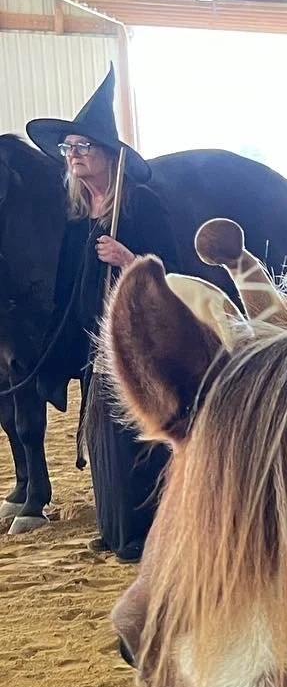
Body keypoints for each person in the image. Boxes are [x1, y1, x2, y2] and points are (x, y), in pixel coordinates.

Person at [27, 67, 179, 561]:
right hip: (97, 338)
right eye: (68, 149)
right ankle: (114, 529)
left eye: (81, 148)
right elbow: (72, 285)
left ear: (107, 155)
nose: (72, 156)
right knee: (101, 438)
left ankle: (142, 534)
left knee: (132, 435)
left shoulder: (141, 205)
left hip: (139, 339)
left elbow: (172, 273)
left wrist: (130, 260)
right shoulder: (81, 211)